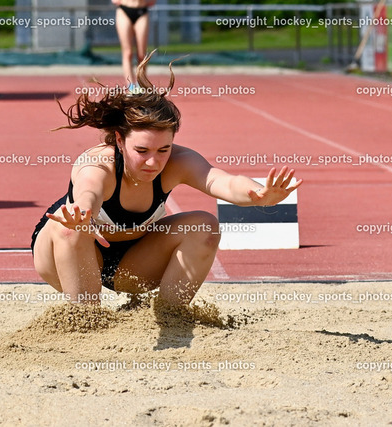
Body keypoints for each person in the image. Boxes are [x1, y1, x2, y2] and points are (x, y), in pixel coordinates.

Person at [31, 51, 303, 307]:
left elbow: (223, 182)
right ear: (119, 140)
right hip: (66, 255)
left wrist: (259, 194)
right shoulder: (97, 164)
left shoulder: (178, 162)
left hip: (131, 261)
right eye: (141, 151)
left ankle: (172, 316)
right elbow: (88, 192)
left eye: (164, 149)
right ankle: (83, 321)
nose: (153, 162)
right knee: (70, 228)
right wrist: (83, 211)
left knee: (204, 227)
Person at [111, 0, 156, 90]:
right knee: (128, 53)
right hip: (124, 11)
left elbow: (152, 2)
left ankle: (141, 84)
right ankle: (131, 86)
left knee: (141, 55)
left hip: (141, 12)